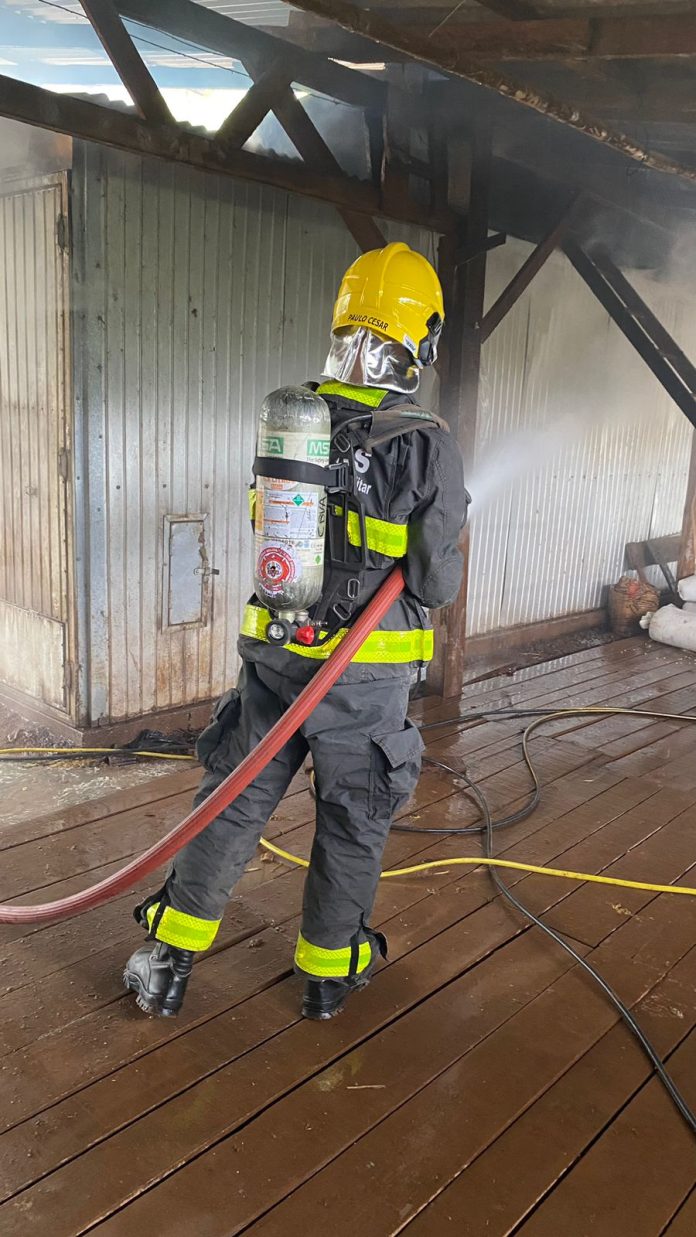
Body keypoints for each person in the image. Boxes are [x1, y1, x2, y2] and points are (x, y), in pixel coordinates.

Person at [124, 242, 470, 1021]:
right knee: (352, 816)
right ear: (421, 336)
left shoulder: (296, 417)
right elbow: (434, 583)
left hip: (277, 657)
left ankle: (168, 960)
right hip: (365, 681)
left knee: (233, 799)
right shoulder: (427, 443)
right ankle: (326, 974)